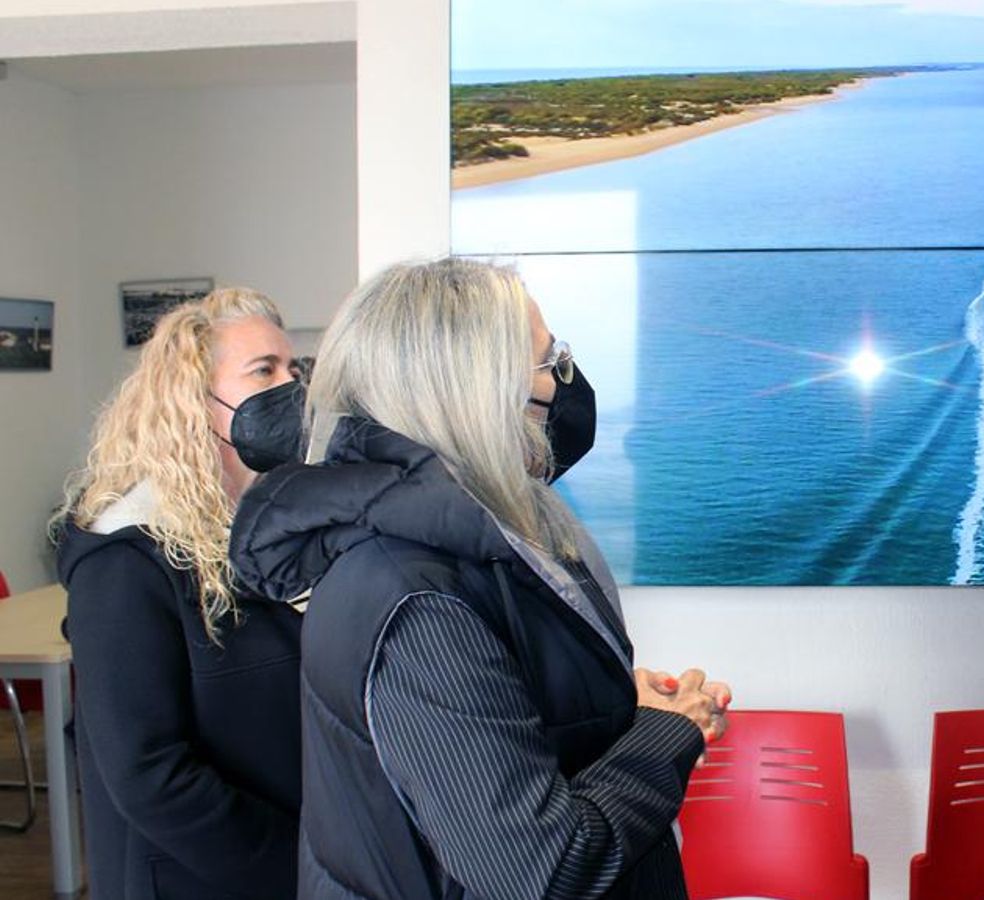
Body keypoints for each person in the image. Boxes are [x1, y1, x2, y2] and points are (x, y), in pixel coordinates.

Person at [229, 258, 731, 900]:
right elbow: (541, 872)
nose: (565, 383)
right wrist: (669, 729)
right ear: (479, 392)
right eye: (552, 362)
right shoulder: (414, 600)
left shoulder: (472, 535)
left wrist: (609, 704)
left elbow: (496, 707)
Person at [53, 288, 305, 899]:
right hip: (205, 880)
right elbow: (149, 775)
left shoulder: (259, 525)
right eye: (263, 370)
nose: (291, 388)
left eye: (294, 369)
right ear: (193, 401)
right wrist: (297, 865)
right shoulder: (125, 556)